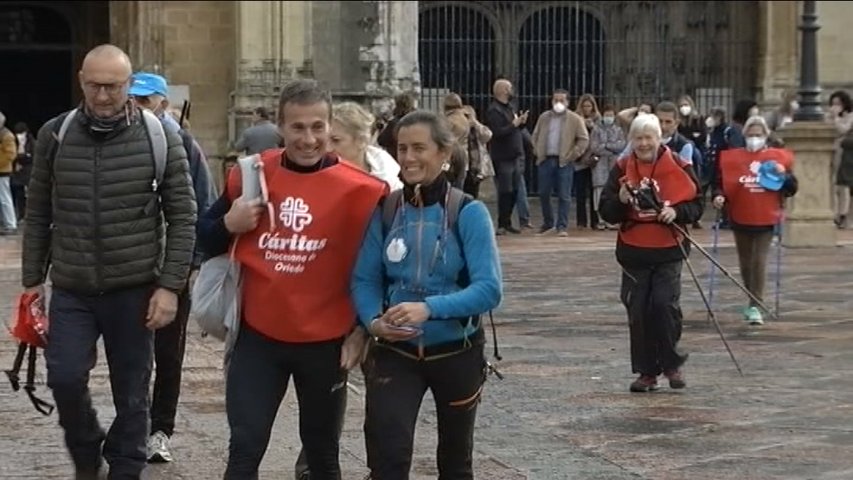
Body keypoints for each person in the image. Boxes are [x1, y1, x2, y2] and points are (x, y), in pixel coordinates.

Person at [22, 44, 197, 480]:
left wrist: (169, 286)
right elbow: (39, 210)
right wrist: (31, 282)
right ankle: (87, 451)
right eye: (95, 86)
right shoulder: (54, 135)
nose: (103, 97)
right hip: (73, 287)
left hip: (135, 287)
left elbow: (183, 214)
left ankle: (125, 464)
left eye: (113, 87)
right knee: (63, 378)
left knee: (133, 394)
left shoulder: (161, 137)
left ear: (129, 84)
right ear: (81, 81)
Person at [197, 79, 387, 479]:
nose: (308, 138)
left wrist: (362, 329)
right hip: (258, 339)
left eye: (317, 127)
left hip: (325, 342)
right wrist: (229, 224)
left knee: (321, 455)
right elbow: (203, 237)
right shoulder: (250, 175)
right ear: (280, 127)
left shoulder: (365, 191)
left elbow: (380, 272)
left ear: (330, 125)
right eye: (298, 127)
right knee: (244, 448)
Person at [351, 109, 502, 480]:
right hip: (394, 352)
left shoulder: (468, 212)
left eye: (419, 148)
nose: (408, 157)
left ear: (444, 153)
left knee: (454, 461)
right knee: (388, 456)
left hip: (457, 351)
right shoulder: (387, 209)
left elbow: (489, 289)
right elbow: (364, 278)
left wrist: (428, 309)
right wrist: (373, 321)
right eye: (402, 148)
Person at [128, 71, 217, 464]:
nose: (136, 106)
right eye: (132, 98)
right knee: (129, 353)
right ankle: (131, 425)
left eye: (145, 100)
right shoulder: (118, 140)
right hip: (127, 267)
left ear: (163, 102)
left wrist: (193, 262)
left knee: (167, 354)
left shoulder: (183, 144)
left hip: (170, 266)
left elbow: (204, 204)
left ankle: (160, 429)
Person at [598, 114, 703, 393]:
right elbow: (606, 212)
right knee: (639, 311)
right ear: (631, 141)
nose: (644, 143)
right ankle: (647, 372)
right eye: (638, 138)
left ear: (659, 139)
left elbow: (697, 204)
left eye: (649, 137)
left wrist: (677, 211)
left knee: (664, 306)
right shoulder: (621, 167)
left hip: (669, 249)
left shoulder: (680, 165)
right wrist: (619, 202)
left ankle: (671, 364)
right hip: (634, 252)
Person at [712, 116, 798, 325]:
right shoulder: (734, 159)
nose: (754, 139)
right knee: (746, 263)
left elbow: (791, 187)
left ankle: (755, 304)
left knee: (758, 261)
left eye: (758, 135)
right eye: (750, 135)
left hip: (765, 219)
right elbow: (721, 182)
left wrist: (784, 176)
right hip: (740, 217)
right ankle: (750, 297)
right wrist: (719, 195)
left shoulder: (776, 159)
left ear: (765, 136)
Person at [530, 89, 589, 236]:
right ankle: (548, 222)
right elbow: (535, 135)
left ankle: (561, 225)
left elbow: (583, 139)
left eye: (562, 100)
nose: (558, 103)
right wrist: (537, 150)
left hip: (564, 161)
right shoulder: (544, 117)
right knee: (543, 193)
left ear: (567, 102)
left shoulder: (575, 119)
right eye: (555, 100)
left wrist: (573, 154)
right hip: (546, 159)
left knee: (564, 194)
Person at [485, 78, 528, 235]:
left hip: (515, 154)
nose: (512, 90)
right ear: (502, 90)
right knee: (505, 190)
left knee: (515, 189)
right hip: (503, 156)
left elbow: (515, 129)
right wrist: (514, 124)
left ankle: (508, 220)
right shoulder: (494, 110)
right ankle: (502, 223)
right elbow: (497, 132)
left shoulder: (510, 107)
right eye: (509, 88)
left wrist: (521, 122)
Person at [330, 101, 403, 190]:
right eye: (325, 140)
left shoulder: (388, 176)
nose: (328, 148)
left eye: (336, 140)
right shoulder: (319, 174)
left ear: (361, 141)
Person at [0, 111, 17, 234]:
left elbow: (10, 154)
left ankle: (11, 224)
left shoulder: (6, 135)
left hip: (2, 171)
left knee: (5, 198)